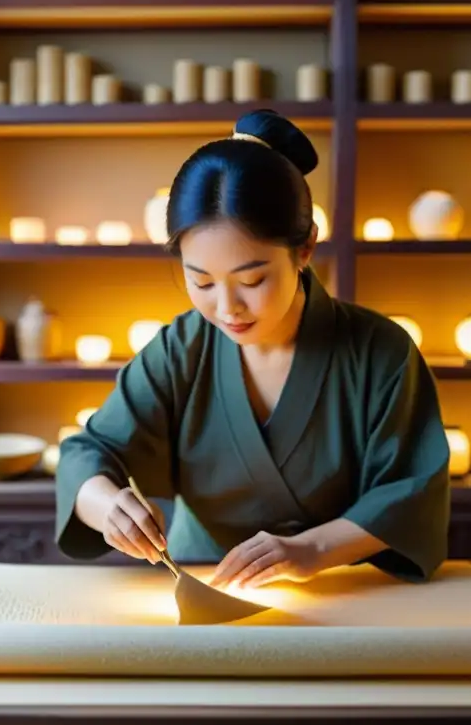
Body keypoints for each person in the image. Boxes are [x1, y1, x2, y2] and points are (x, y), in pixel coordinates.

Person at [55, 109, 451, 590]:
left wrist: (311, 549)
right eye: (200, 281)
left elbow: (410, 490)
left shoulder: (381, 352)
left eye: (252, 280)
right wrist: (106, 505)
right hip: (203, 580)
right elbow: (89, 451)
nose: (226, 309)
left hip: (341, 591)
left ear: (305, 248)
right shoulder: (180, 350)